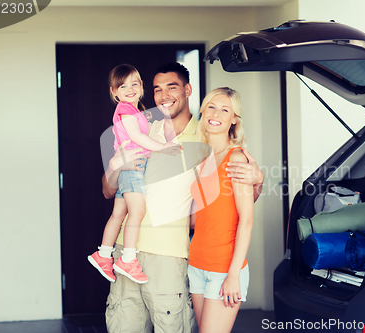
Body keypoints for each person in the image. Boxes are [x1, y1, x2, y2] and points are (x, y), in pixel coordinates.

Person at [101, 62, 264, 333]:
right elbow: (108, 191)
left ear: (188, 90)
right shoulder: (140, 130)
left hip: (169, 256)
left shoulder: (206, 136)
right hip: (124, 252)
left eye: (172, 87)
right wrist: (115, 165)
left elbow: (229, 199)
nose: (164, 96)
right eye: (157, 90)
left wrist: (258, 178)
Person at [88, 64, 179, 285]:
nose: (130, 89)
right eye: (123, 86)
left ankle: (103, 254)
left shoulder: (135, 111)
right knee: (136, 212)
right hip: (133, 168)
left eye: (135, 84)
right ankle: (128, 259)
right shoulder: (125, 110)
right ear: (114, 92)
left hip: (129, 168)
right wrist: (163, 147)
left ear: (141, 86)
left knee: (119, 213)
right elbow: (137, 138)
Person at [188, 87, 253, 333]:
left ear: (233, 119)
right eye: (211, 107)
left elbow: (246, 220)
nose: (216, 114)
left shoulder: (236, 158)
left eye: (225, 109)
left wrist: (233, 275)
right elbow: (200, 217)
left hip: (224, 269)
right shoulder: (201, 157)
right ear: (203, 111)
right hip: (196, 265)